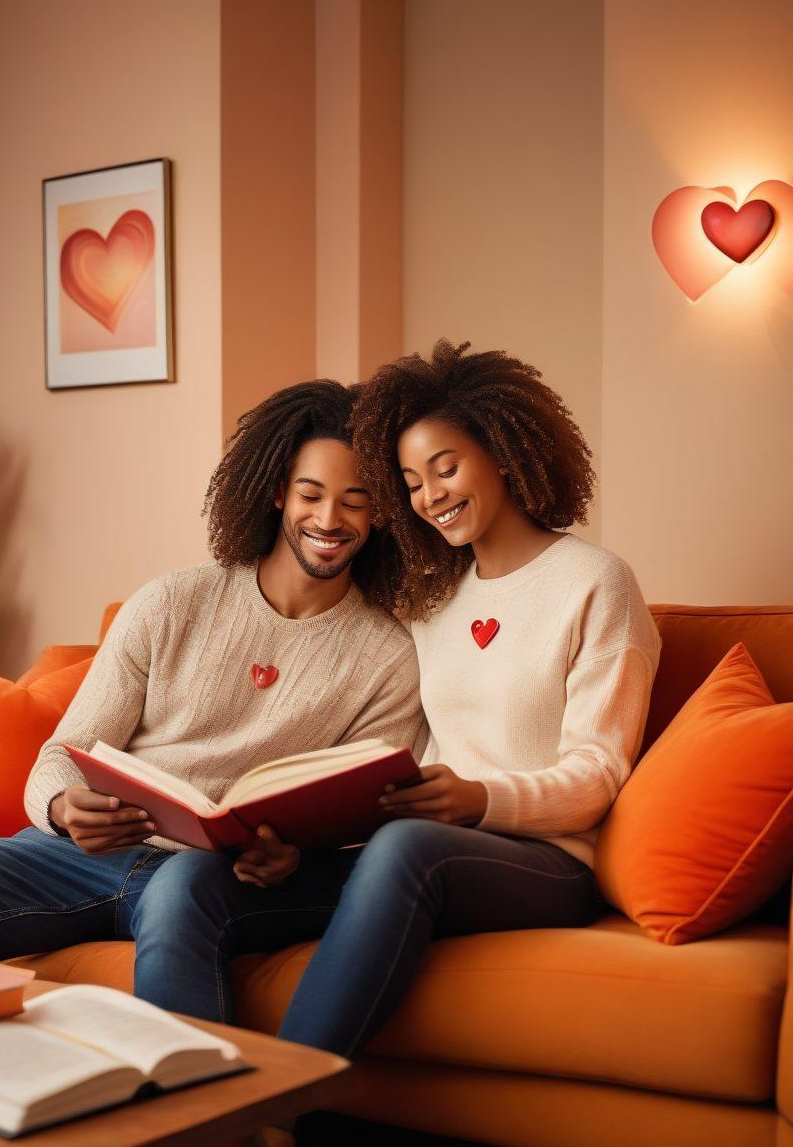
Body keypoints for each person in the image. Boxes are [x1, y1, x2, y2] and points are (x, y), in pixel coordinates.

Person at [0, 380, 427, 1025]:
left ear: (381, 516)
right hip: (83, 856)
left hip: (216, 873)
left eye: (356, 502)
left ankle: (205, 1121)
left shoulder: (389, 654)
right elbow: (62, 755)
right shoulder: (173, 602)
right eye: (311, 494)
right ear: (277, 492)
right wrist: (65, 809)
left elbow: (360, 815)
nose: (328, 520)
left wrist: (295, 856)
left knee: (182, 901)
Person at [272, 339, 662, 1061]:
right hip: (427, 842)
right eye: (413, 481)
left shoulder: (597, 583)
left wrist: (479, 799)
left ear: (507, 453)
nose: (430, 496)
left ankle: (274, 1099)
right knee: (218, 879)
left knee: (408, 848)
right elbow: (413, 750)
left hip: (549, 861)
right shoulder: (431, 600)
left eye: (446, 468)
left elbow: (600, 773)